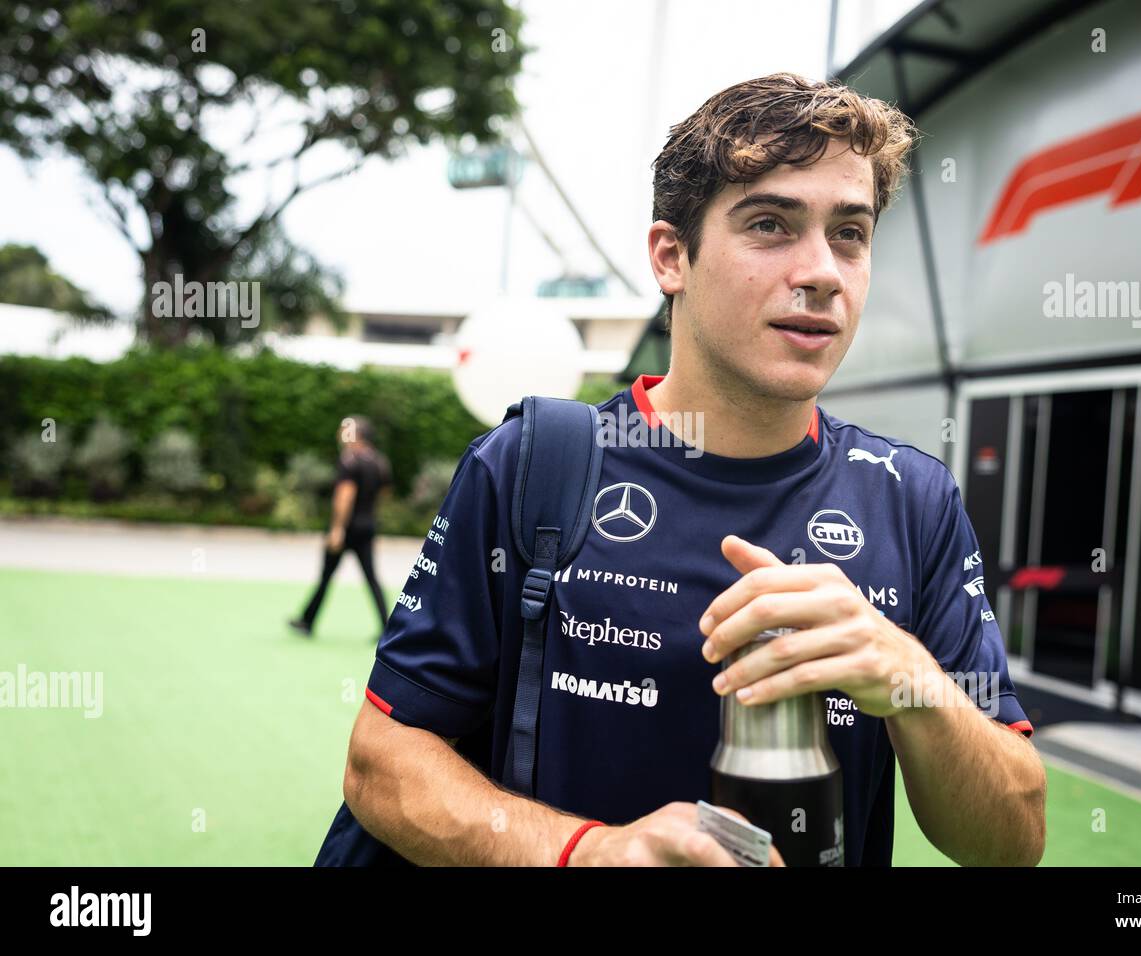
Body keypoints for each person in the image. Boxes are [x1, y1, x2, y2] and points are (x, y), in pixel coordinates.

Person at [315, 73, 1046, 867]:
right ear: (672, 257)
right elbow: (382, 763)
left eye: (850, 234)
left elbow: (1011, 840)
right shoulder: (533, 466)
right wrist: (587, 854)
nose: (823, 272)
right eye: (770, 224)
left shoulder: (914, 499)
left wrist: (908, 676)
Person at [290, 415, 392, 641]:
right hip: (366, 526)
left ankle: (307, 622)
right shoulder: (379, 462)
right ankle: (387, 627)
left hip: (346, 529)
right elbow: (383, 494)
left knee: (326, 575)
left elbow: (344, 496)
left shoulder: (349, 460)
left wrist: (337, 529)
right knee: (371, 577)